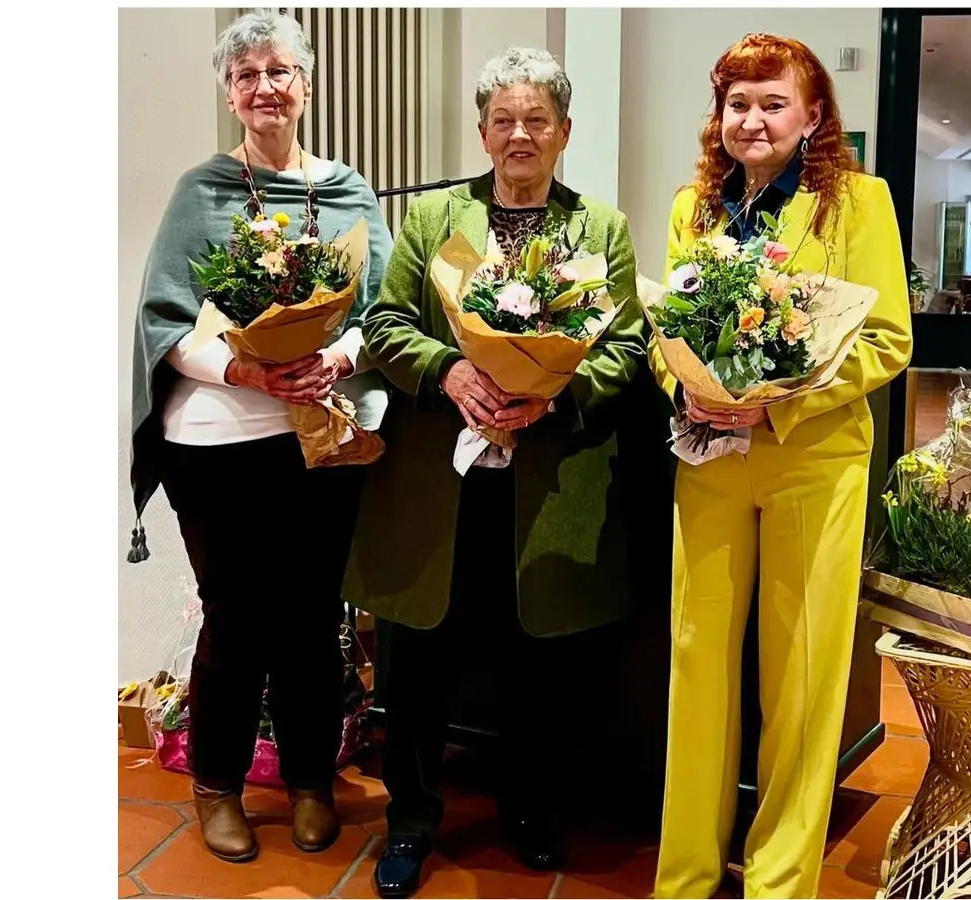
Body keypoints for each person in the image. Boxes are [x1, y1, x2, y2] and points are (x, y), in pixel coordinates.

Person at [344, 46, 648, 900]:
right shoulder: (434, 217)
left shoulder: (600, 229)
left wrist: (556, 396)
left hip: (544, 486)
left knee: (539, 659)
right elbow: (385, 323)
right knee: (419, 657)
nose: (520, 135)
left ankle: (532, 811)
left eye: (537, 119)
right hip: (439, 484)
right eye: (504, 120)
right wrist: (449, 370)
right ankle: (411, 820)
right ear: (482, 133)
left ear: (564, 132)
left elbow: (626, 344)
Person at [125, 9, 394, 864]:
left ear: (306, 84)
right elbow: (166, 321)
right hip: (216, 442)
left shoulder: (348, 191)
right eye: (246, 76)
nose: (264, 87)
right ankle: (217, 785)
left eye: (279, 71)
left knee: (313, 617)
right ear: (230, 94)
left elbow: (385, 311)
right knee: (235, 618)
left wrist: (336, 356)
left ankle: (311, 780)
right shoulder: (200, 191)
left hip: (322, 436)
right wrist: (246, 370)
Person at [650, 34, 914, 899]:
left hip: (813, 462)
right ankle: (685, 874)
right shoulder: (693, 208)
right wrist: (686, 387)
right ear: (719, 115)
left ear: (813, 114)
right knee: (696, 664)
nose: (753, 120)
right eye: (738, 103)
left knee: (801, 676)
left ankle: (778, 881)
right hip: (710, 459)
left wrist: (777, 402)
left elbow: (886, 340)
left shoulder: (858, 203)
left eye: (773, 103)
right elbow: (666, 332)